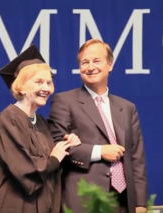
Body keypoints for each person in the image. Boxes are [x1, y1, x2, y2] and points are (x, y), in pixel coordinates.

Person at [47, 39, 148, 213]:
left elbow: (136, 158)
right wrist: (99, 151)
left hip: (122, 202)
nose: (90, 67)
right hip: (83, 199)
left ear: (110, 65)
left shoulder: (127, 108)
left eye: (96, 61)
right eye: (84, 62)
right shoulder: (64, 101)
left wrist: (140, 203)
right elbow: (57, 146)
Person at [0, 45, 80, 213]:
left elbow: (52, 163)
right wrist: (54, 159)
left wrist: (67, 145)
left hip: (43, 204)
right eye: (38, 82)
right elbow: (23, 167)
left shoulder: (41, 123)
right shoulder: (7, 119)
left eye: (49, 82)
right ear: (20, 86)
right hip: (14, 205)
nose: (46, 88)